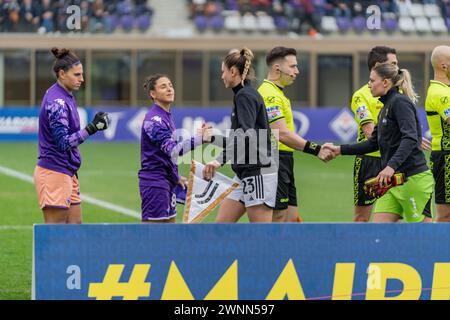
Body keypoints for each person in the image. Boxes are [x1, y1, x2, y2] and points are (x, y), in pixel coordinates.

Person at [324, 63, 434, 223]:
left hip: (413, 180)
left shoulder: (400, 103)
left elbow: (410, 138)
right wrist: (339, 150)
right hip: (391, 184)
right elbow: (372, 143)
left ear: (386, 82)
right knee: (379, 233)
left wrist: (390, 167)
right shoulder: (385, 106)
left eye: (372, 80)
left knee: (423, 237)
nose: (368, 85)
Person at [34, 47, 109, 224]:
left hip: (67, 171)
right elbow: (63, 143)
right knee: (56, 234)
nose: (82, 79)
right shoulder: (57, 101)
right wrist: (91, 128)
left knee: (75, 229)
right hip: (54, 171)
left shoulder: (66, 95)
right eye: (77, 75)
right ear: (62, 74)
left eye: (82, 74)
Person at [202, 48, 278, 223]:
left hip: (258, 172)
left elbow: (245, 135)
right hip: (245, 173)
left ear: (233, 71)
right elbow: (243, 139)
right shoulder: (243, 95)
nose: (222, 76)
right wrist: (213, 138)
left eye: (223, 71)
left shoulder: (245, 96)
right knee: (221, 228)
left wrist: (219, 160)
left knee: (260, 237)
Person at [257, 46, 331, 223]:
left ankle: (286, 251)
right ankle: (269, 251)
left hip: (285, 159)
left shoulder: (277, 93)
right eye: (292, 66)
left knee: (291, 219)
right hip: (274, 159)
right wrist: (316, 149)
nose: (296, 71)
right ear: (277, 68)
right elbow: (281, 134)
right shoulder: (269, 95)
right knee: (278, 217)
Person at [139, 74, 213, 223]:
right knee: (153, 237)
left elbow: (165, 156)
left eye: (170, 85)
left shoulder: (166, 115)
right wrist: (199, 139)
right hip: (155, 184)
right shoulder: (154, 120)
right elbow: (173, 151)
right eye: (163, 86)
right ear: (153, 94)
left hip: (167, 182)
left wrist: (175, 177)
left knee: (170, 232)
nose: (169, 89)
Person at [350, 46, 398, 222]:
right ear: (378, 65)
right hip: (369, 161)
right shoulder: (361, 95)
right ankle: (359, 250)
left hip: (392, 162)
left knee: (393, 217)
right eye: (393, 63)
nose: (397, 68)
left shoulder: (395, 94)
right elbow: (370, 133)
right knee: (362, 218)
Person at [425, 45, 450, 222]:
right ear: (444, 66)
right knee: (445, 213)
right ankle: (439, 249)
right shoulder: (440, 93)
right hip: (446, 157)